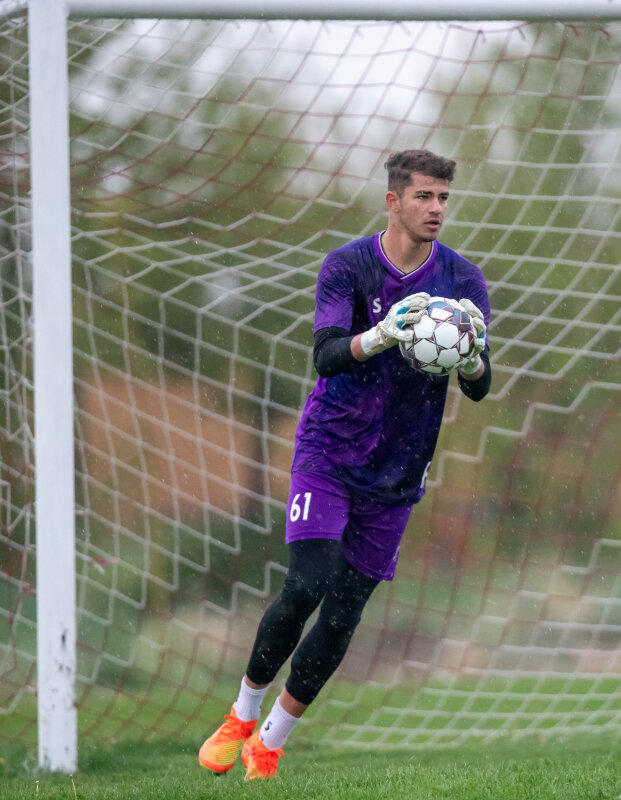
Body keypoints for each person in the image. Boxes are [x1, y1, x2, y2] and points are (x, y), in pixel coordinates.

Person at [198, 149, 491, 780]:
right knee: (307, 585)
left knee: (344, 611)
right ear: (393, 200)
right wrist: (384, 334)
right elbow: (327, 355)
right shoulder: (348, 266)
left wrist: (469, 358)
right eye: (424, 196)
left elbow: (480, 385)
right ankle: (241, 714)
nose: (436, 208)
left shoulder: (463, 281)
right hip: (329, 451)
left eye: (443, 197)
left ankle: (269, 744)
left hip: (399, 470)